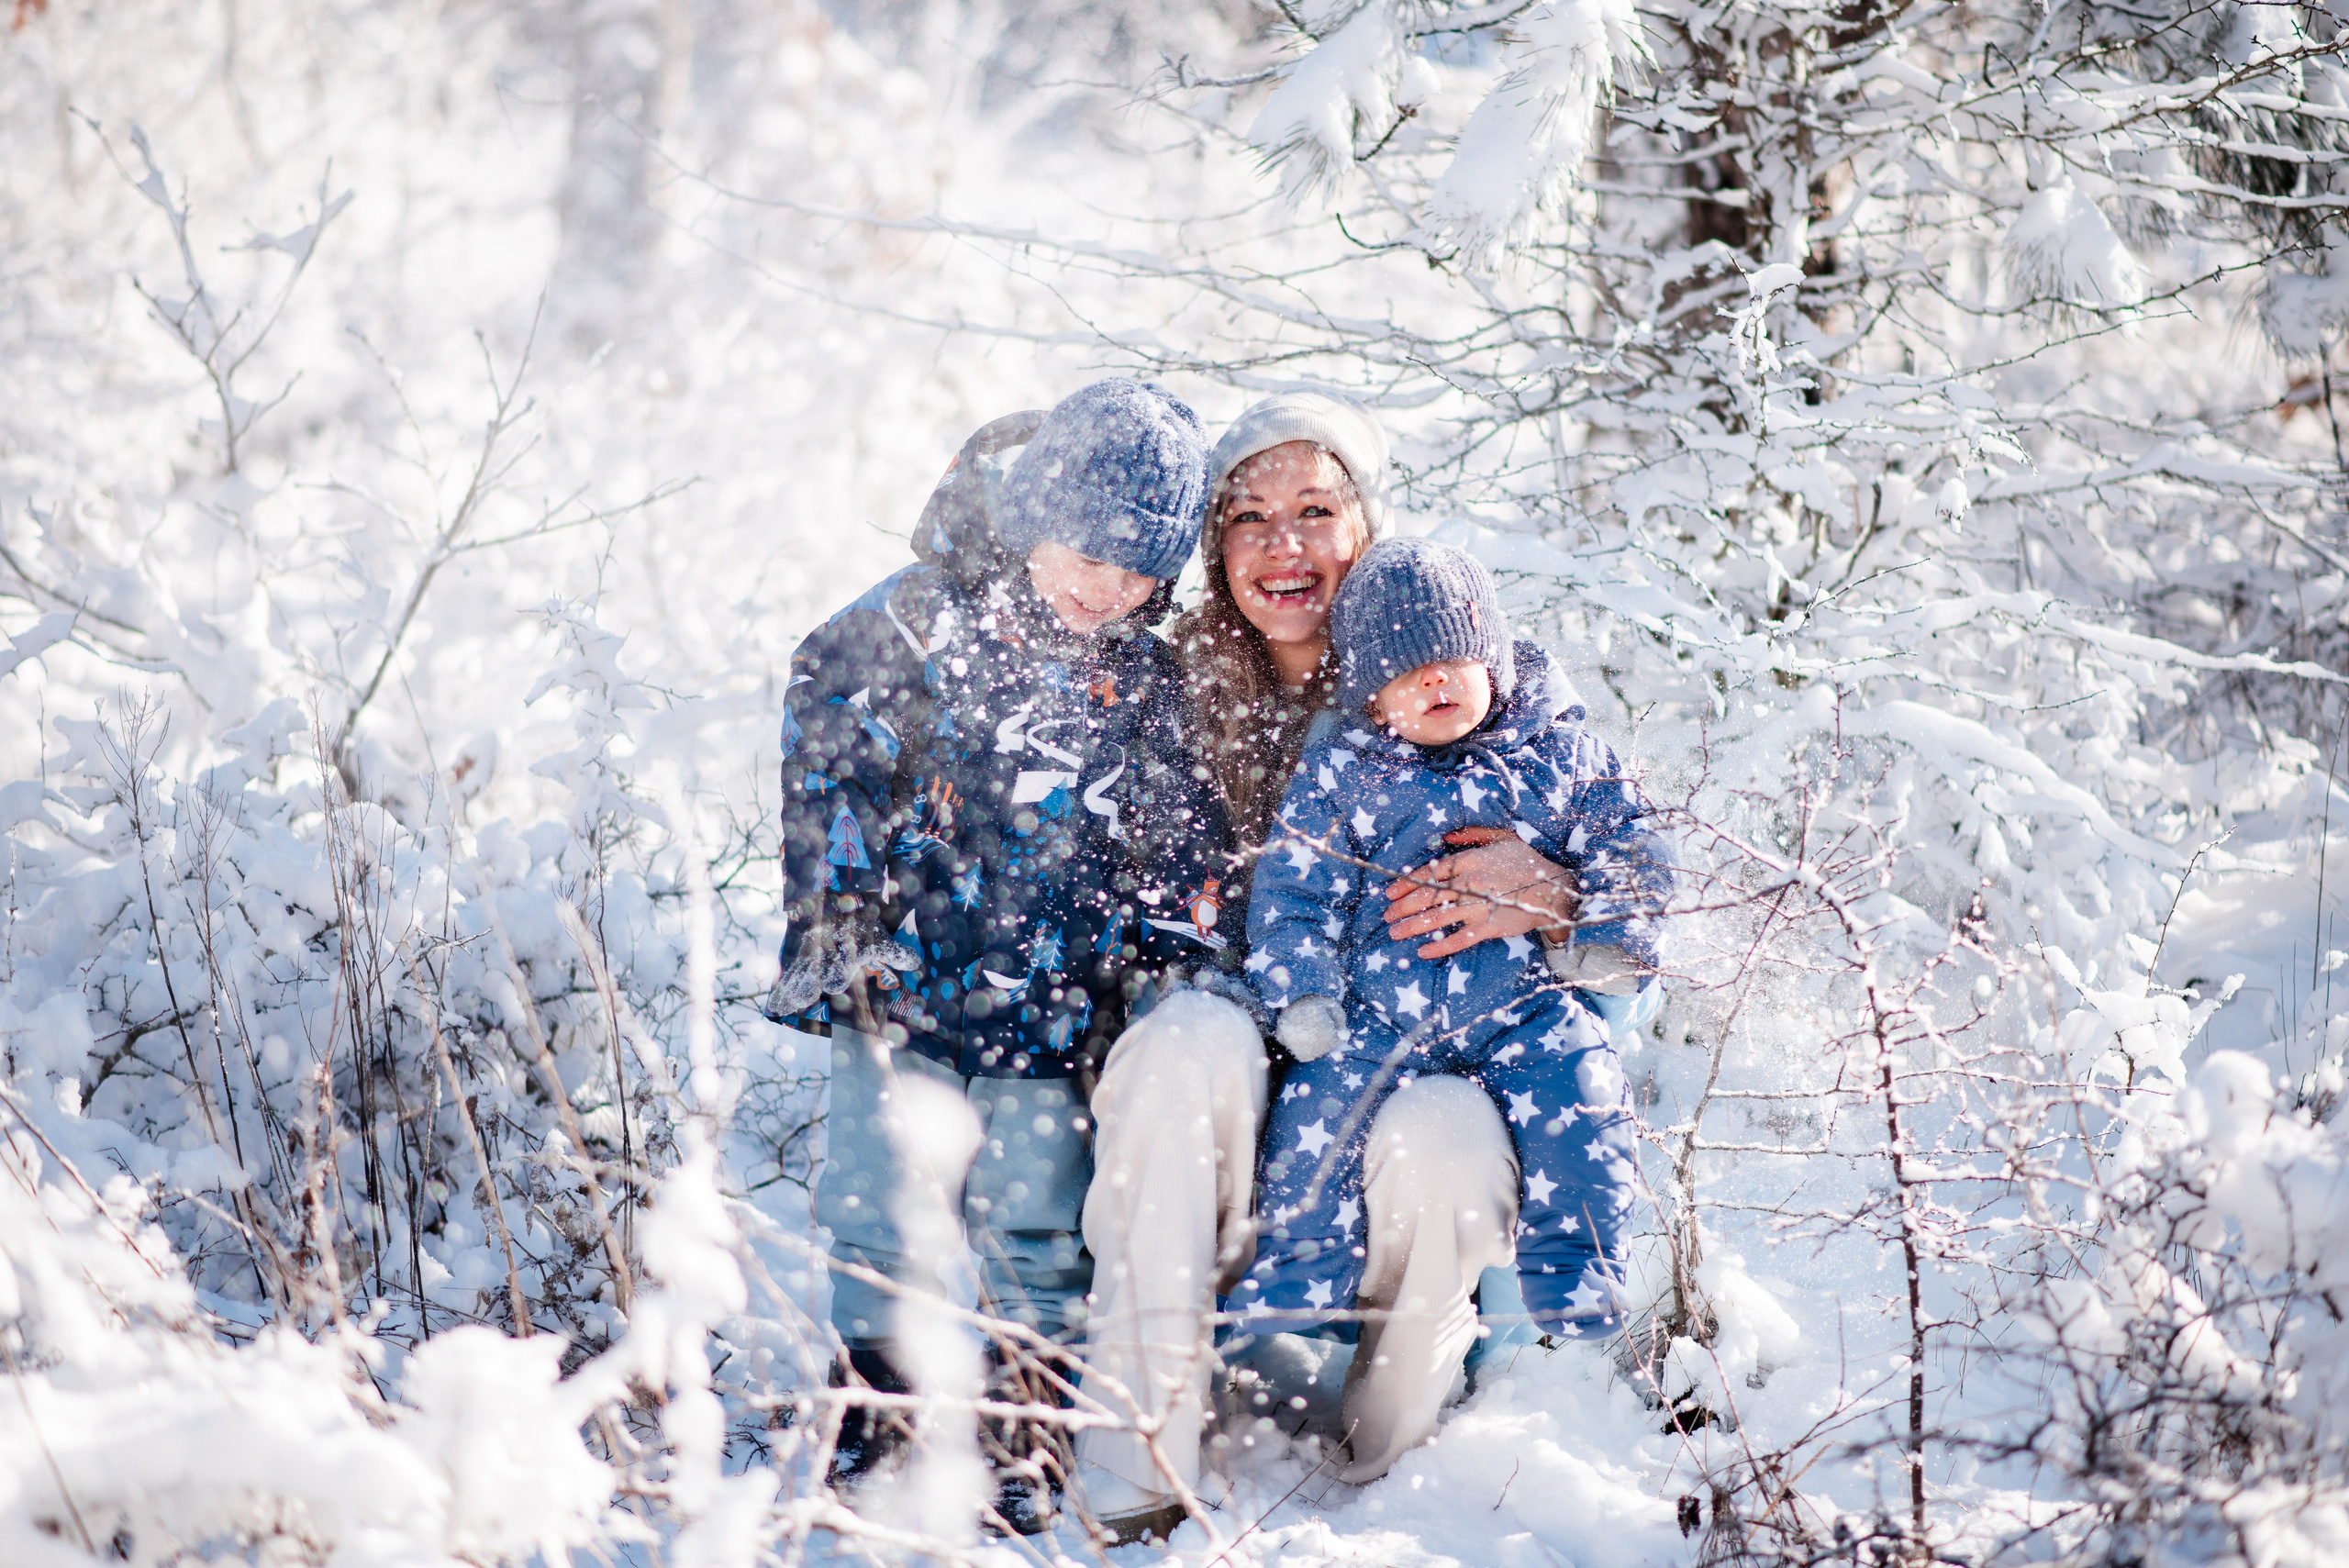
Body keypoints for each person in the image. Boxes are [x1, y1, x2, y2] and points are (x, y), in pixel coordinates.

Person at [1074, 390, 1661, 1531]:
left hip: (1432, 1057)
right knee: (1185, 1043)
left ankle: (1394, 1466)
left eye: (1314, 507)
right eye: (1247, 516)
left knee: (1441, 1128)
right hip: (1250, 1064)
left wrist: (1558, 897)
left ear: (1367, 524)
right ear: (1213, 546)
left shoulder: (1491, 690)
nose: (1283, 544)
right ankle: (1135, 1458)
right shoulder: (1173, 695)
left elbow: (1626, 870)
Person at [768, 379, 1227, 1523]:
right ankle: (876, 1407)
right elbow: (828, 745)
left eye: (1138, 572)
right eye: (1088, 551)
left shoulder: (1147, 680)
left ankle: (1027, 1425)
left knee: (1036, 1216)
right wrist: (841, 919)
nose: (1105, 588)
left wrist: (1163, 949)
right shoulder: (913, 626)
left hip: (1051, 1004)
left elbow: (1175, 835)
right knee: (879, 1202)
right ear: (1035, 514)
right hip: (899, 986)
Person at [1240, 537, 1673, 1478]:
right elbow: (1293, 889)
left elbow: (1635, 846)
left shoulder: (1561, 753)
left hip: (1521, 1005)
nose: (1433, 679)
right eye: (1405, 668)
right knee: (1316, 1115)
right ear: (1369, 692)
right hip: (1379, 1013)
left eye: (1452, 657)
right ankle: (1299, 1270)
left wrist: (1606, 924)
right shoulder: (1347, 770)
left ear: (1495, 656)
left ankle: (1579, 1266)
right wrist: (1303, 989)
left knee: (1586, 1099)